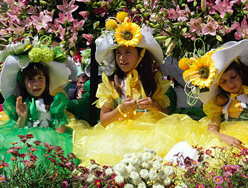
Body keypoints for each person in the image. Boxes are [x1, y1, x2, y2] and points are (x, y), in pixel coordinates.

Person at [72, 12, 197, 166]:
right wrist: (120, 109)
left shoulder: (153, 82)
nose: (122, 58)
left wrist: (154, 106)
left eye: (128, 52)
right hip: (118, 138)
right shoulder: (111, 82)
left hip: (152, 134)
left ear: (141, 54)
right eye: (118, 53)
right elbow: (104, 120)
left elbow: (166, 114)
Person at [0, 41, 74, 169]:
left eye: (40, 78)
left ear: (47, 80)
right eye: (31, 79)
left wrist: (57, 141)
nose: (36, 83)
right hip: (25, 141)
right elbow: (15, 130)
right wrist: (21, 117)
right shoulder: (20, 103)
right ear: (23, 83)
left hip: (48, 143)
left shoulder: (53, 102)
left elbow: (59, 131)